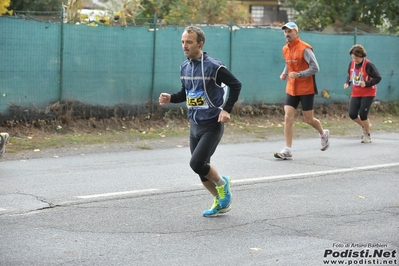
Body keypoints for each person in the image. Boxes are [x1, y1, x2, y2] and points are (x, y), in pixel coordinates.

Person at [159, 26, 242, 217]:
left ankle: (223, 184)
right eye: (182, 42)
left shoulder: (214, 66)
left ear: (200, 44)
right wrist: (170, 97)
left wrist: (226, 110)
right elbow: (186, 94)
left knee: (197, 163)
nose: (185, 46)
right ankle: (221, 202)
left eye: (189, 42)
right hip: (194, 125)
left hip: (212, 124)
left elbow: (236, 84)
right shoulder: (185, 67)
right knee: (201, 170)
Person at [274, 22, 330, 160]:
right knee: (288, 116)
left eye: (290, 31)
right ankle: (287, 150)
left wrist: (300, 74)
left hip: (306, 88)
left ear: (296, 33)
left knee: (309, 119)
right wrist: (284, 73)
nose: (287, 34)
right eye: (285, 32)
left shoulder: (305, 48)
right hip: (292, 87)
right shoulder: (285, 49)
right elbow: (289, 63)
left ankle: (323, 133)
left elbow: (315, 67)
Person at [343, 44, 381, 143]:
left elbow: (378, 78)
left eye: (357, 58)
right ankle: (366, 125)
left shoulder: (368, 64)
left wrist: (367, 84)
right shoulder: (351, 63)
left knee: (363, 114)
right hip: (356, 92)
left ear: (362, 56)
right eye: (353, 57)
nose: (355, 60)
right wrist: (348, 83)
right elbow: (350, 75)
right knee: (352, 114)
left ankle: (367, 135)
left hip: (368, 92)